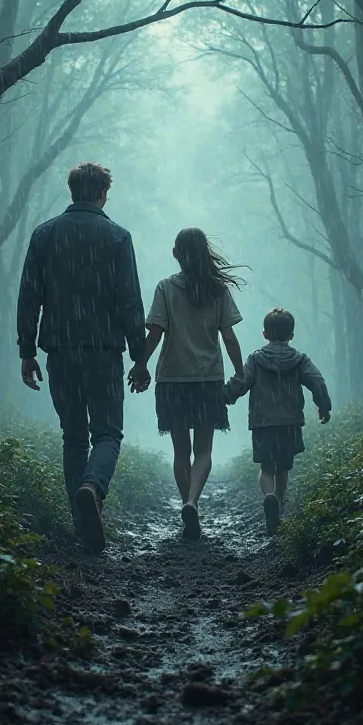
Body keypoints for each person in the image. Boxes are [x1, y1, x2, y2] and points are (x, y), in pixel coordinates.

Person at [17, 162, 149, 553]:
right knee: (107, 433)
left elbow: (29, 298)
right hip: (105, 351)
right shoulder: (117, 238)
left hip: (60, 350)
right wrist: (139, 357)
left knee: (73, 436)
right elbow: (130, 301)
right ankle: (92, 488)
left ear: (72, 191)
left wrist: (27, 350)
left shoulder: (44, 236)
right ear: (104, 193)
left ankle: (81, 524)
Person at [129, 228, 244, 539]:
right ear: (205, 253)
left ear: (176, 253)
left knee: (181, 451)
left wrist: (140, 364)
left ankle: (186, 504)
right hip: (208, 379)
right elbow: (229, 337)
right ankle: (193, 502)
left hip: (173, 379)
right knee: (203, 450)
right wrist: (239, 372)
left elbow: (154, 332)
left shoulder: (166, 288)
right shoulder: (217, 290)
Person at [224, 307, 331, 536]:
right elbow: (317, 382)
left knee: (266, 468)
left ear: (264, 334)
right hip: (289, 423)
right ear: (291, 335)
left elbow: (242, 382)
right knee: (283, 468)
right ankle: (278, 509)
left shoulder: (255, 359)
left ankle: (269, 496)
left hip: (263, 423)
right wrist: (323, 405)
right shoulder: (300, 359)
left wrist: (227, 395)